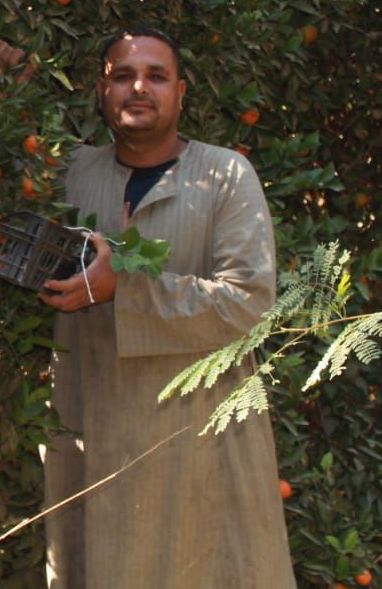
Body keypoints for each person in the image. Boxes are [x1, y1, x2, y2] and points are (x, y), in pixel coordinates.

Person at [38, 29, 295, 587]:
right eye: (123, 75)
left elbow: (249, 303)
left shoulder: (226, 175)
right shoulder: (71, 174)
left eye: (156, 76)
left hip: (198, 438)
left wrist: (123, 290)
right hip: (92, 423)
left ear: (180, 93)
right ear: (101, 92)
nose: (139, 87)